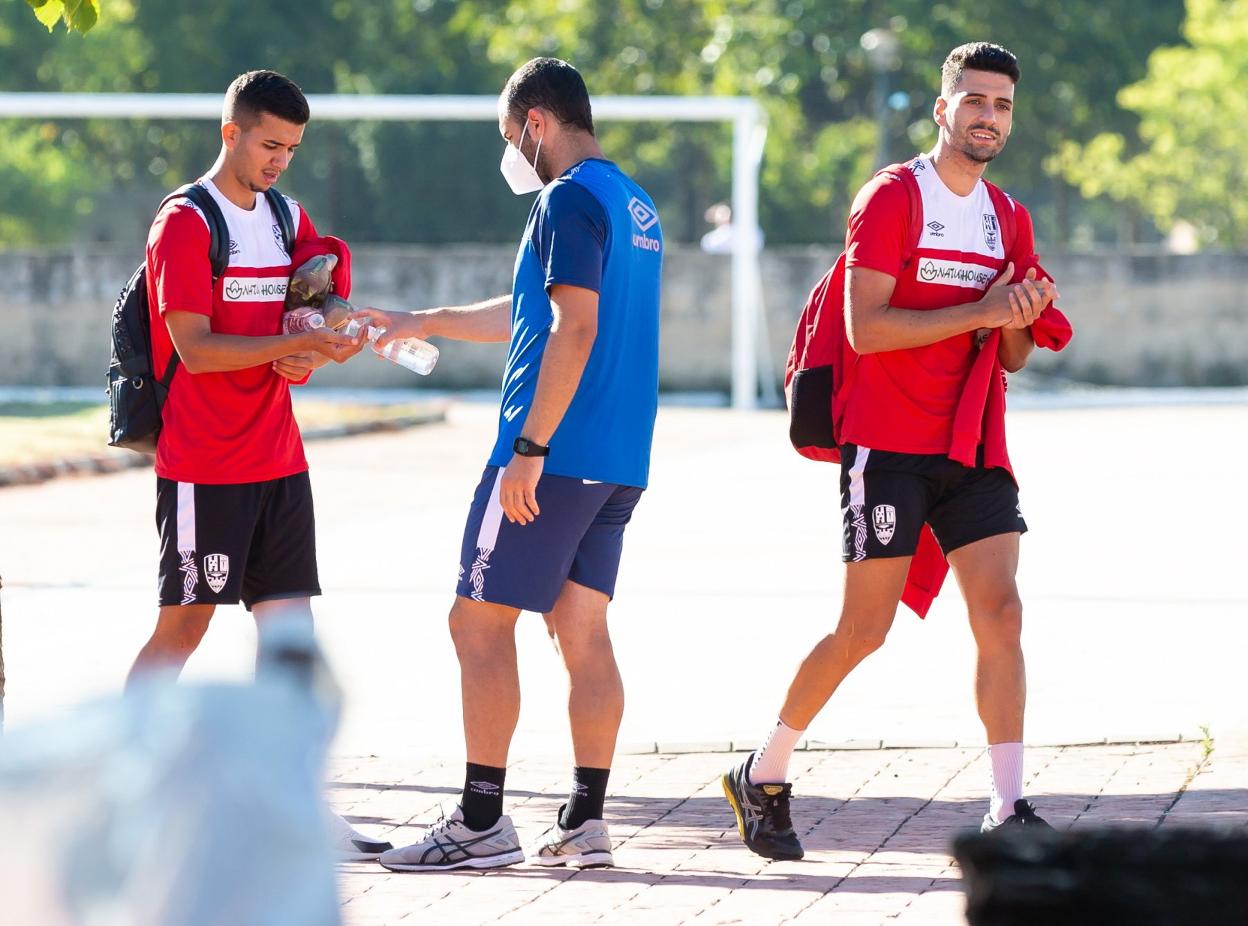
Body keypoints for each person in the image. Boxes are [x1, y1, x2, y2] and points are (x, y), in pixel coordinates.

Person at [723, 42, 1068, 861]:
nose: (990, 117)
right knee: (863, 630)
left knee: (1003, 613)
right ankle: (763, 770)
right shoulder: (892, 197)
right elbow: (864, 329)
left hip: (973, 443)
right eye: (975, 101)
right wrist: (981, 309)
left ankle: (1008, 805)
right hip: (888, 445)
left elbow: (1013, 352)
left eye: (1004, 106)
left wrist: (1014, 310)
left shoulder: (1008, 216)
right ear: (942, 107)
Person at [352, 57, 663, 872]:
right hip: (619, 459)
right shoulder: (633, 202)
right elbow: (535, 310)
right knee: (581, 627)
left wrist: (529, 449)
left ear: (535, 123)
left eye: (508, 137)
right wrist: (424, 318)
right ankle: (586, 822)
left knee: (476, 621)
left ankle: (482, 819)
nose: (510, 156)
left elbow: (575, 329)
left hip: (552, 456)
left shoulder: (564, 199)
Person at [124, 69, 391, 860]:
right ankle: (124, 786)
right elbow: (197, 349)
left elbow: (313, 299)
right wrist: (293, 344)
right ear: (230, 133)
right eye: (269, 144)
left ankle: (300, 808)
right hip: (204, 464)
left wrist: (327, 336)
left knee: (292, 645)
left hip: (279, 458)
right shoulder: (185, 221)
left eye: (292, 149)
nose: (280, 161)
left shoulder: (284, 215)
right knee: (183, 629)